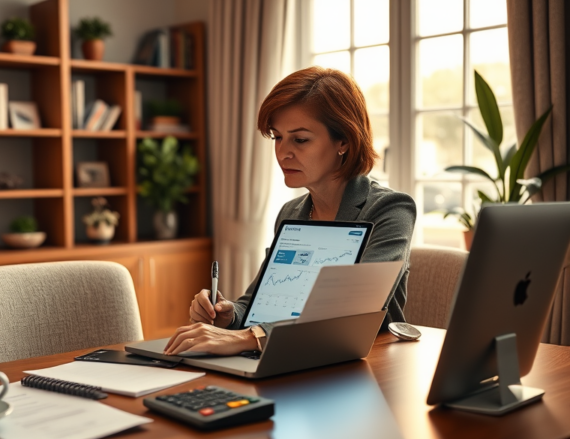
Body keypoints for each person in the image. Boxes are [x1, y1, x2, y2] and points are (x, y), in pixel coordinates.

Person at [165, 66, 417, 356]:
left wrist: (249, 338)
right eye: (277, 137)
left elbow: (351, 311)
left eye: (300, 139)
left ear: (344, 142)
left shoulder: (390, 210)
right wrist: (228, 314)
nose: (283, 152)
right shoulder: (291, 212)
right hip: (286, 356)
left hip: (363, 365)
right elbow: (254, 303)